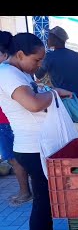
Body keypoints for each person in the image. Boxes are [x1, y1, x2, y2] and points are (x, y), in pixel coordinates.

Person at [0, 31, 74, 230]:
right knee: (42, 201)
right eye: (37, 60)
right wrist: (54, 93)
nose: (39, 65)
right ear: (20, 54)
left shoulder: (17, 72)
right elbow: (32, 104)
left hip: (37, 145)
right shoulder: (8, 74)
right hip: (31, 148)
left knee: (48, 196)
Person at [0, 39, 32, 206]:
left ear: (5, 54)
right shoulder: (12, 72)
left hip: (5, 121)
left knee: (14, 158)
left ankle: (24, 192)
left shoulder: (6, 72)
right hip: (7, 121)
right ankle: (24, 191)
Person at [34, 26, 78, 125]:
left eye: (49, 37)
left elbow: (39, 75)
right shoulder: (76, 55)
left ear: (55, 39)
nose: (47, 40)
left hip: (62, 100)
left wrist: (37, 62)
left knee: (66, 132)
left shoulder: (50, 57)